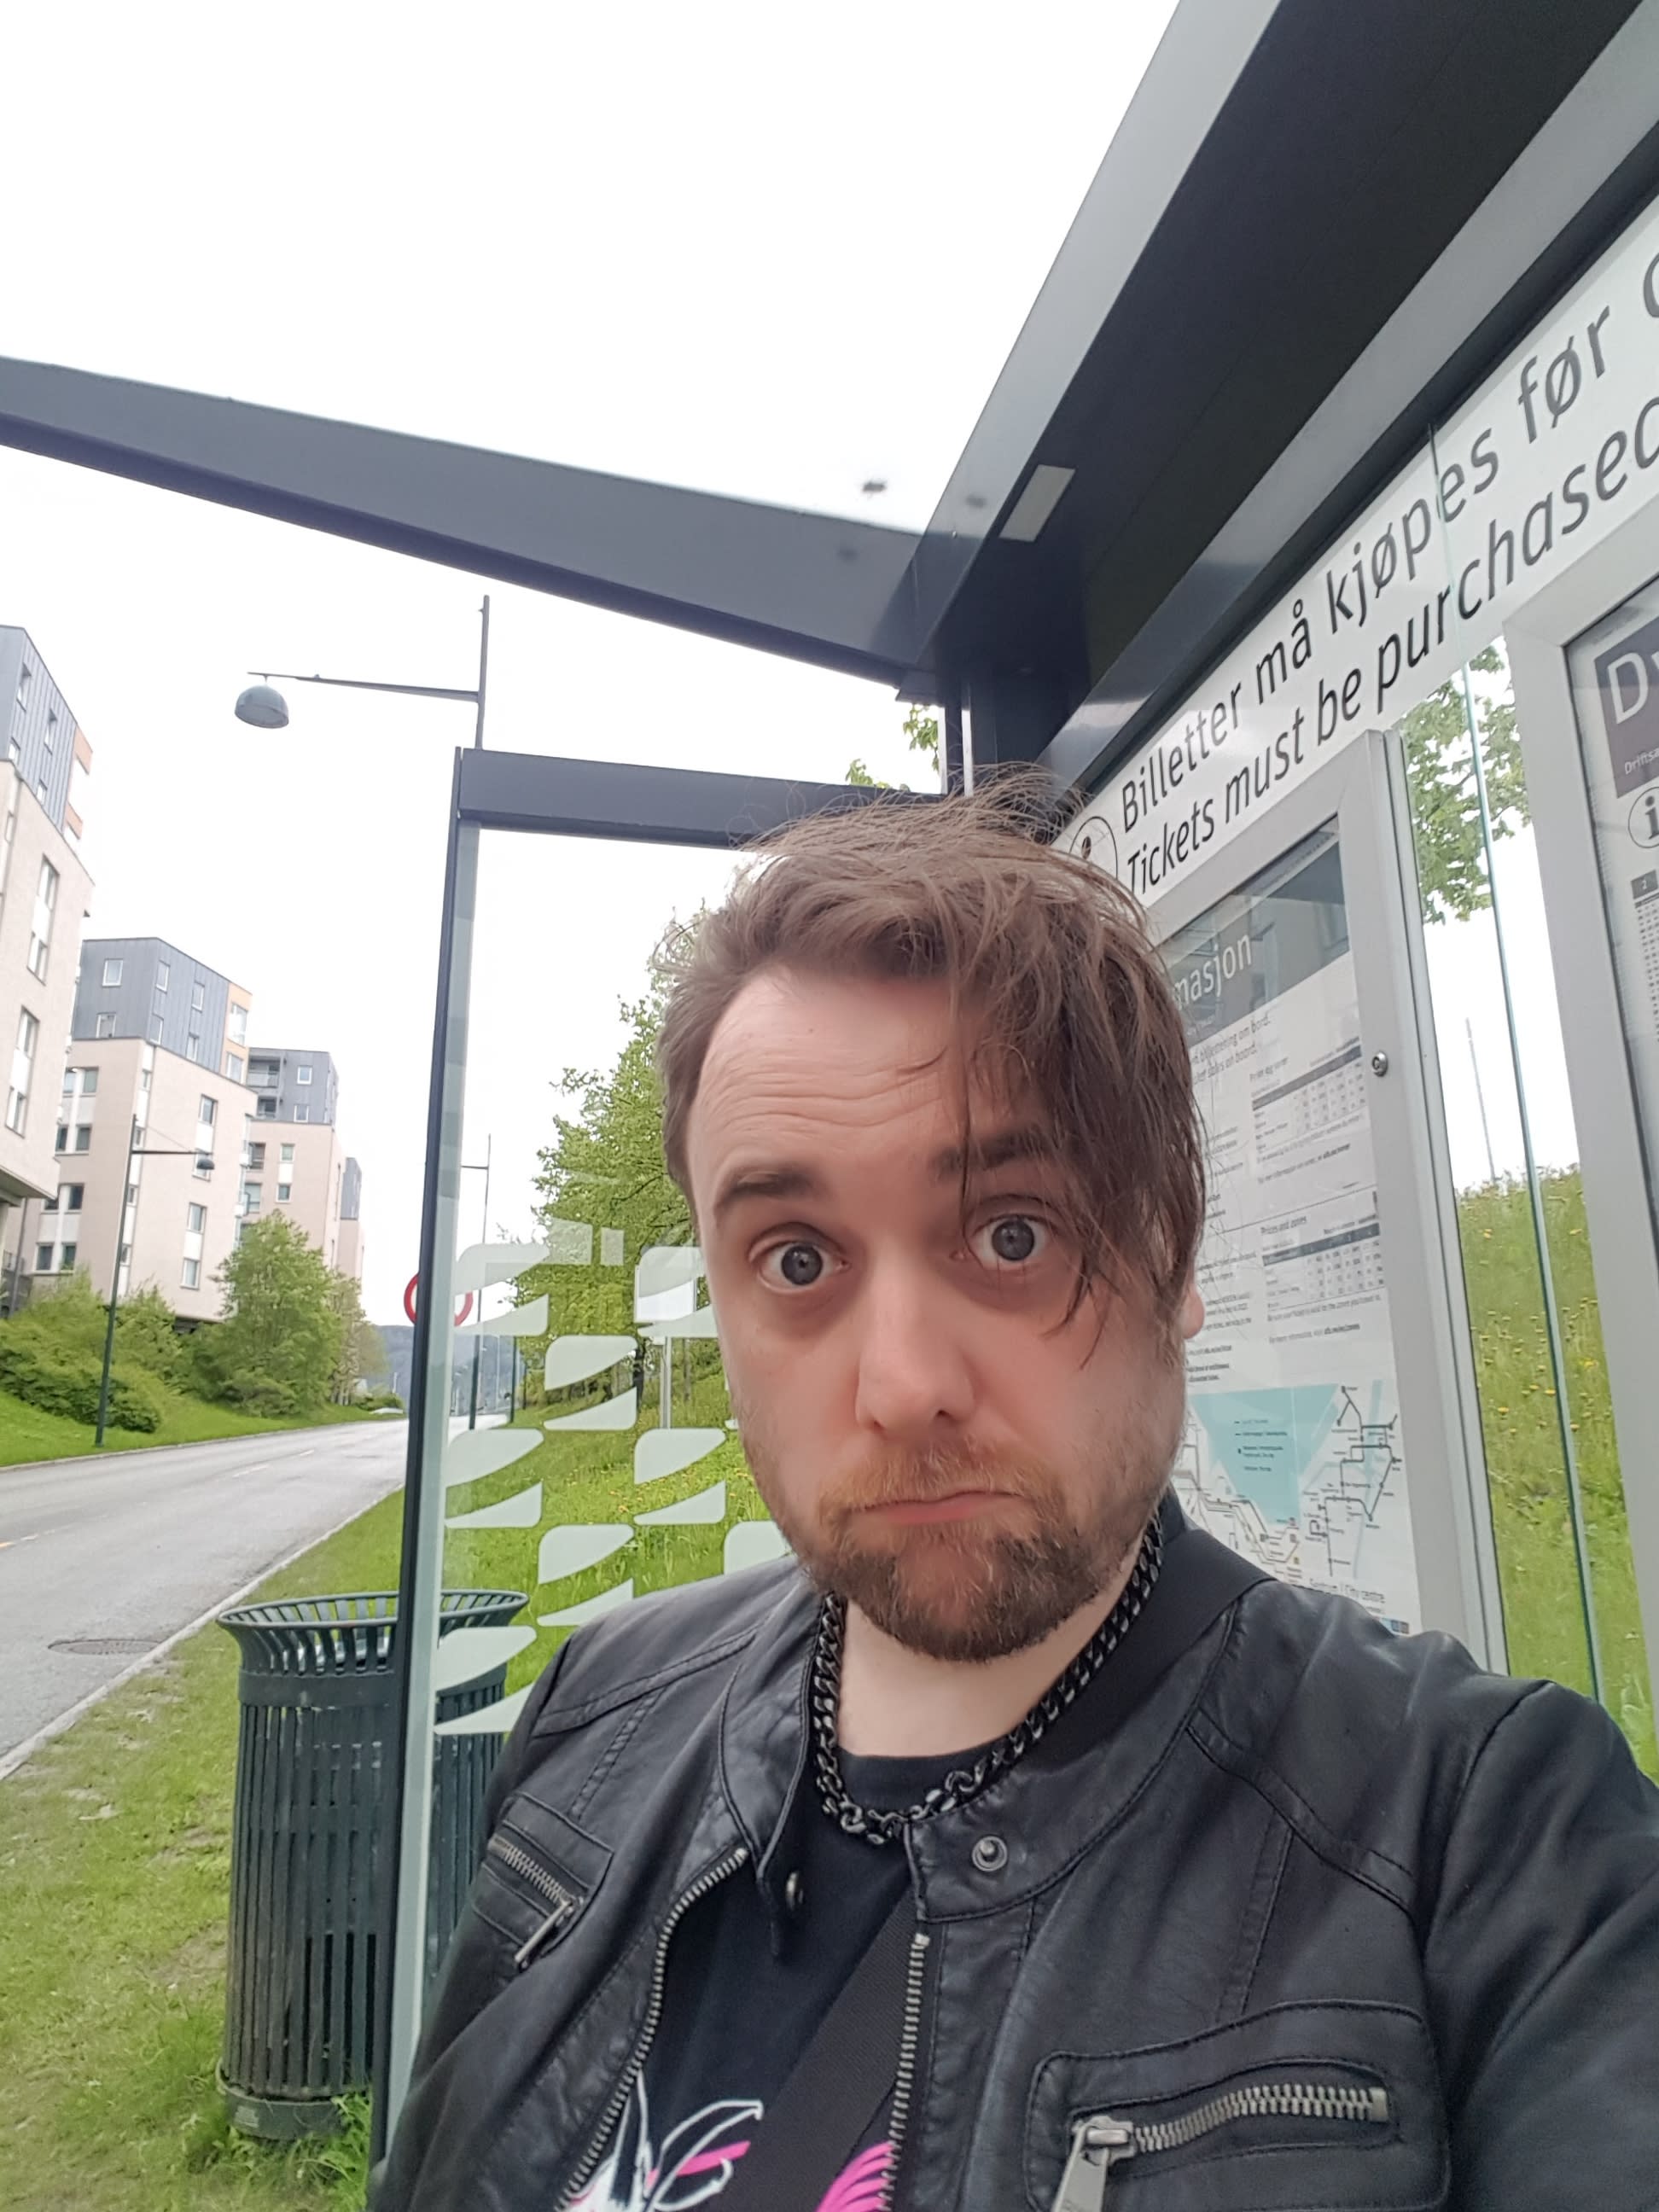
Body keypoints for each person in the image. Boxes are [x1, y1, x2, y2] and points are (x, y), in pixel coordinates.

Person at [381, 784, 1659, 2212]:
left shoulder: (1490, 1847)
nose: (903, 1385)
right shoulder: (600, 1714)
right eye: (797, 1259)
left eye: (1010, 1234)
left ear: (1172, 1252)